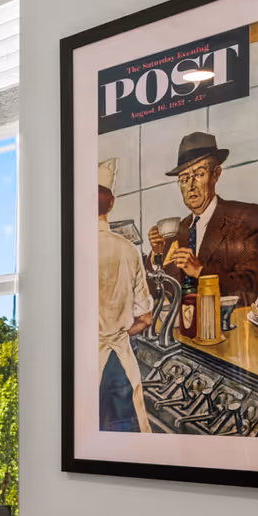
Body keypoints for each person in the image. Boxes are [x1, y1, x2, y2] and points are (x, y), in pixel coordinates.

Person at [148, 131, 258, 303]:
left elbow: (252, 285)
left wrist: (200, 271)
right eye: (184, 178)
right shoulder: (179, 229)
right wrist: (156, 255)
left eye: (198, 174)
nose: (190, 186)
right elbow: (154, 293)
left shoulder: (244, 217)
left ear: (216, 174)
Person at [96, 159, 153, 433]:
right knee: (121, 445)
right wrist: (119, 333)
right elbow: (145, 318)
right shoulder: (128, 250)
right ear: (111, 204)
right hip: (117, 365)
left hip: (79, 365)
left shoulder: (68, 251)